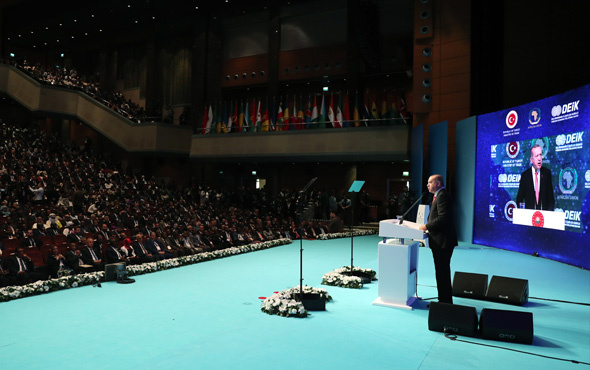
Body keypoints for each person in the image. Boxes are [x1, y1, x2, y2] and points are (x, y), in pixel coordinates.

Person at [418, 174, 457, 304]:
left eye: (430, 182)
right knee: (441, 272)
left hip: (443, 242)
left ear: (438, 183)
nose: (427, 185)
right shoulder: (438, 196)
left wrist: (426, 226)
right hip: (439, 241)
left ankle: (445, 303)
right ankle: (443, 301)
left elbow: (443, 218)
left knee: (442, 273)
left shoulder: (442, 196)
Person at [516, 144, 555, 211]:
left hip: (544, 217)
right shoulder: (525, 176)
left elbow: (551, 199)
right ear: (531, 160)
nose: (539, 158)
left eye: (540, 155)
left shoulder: (547, 173)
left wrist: (548, 215)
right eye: (536, 156)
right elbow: (519, 199)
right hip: (529, 218)